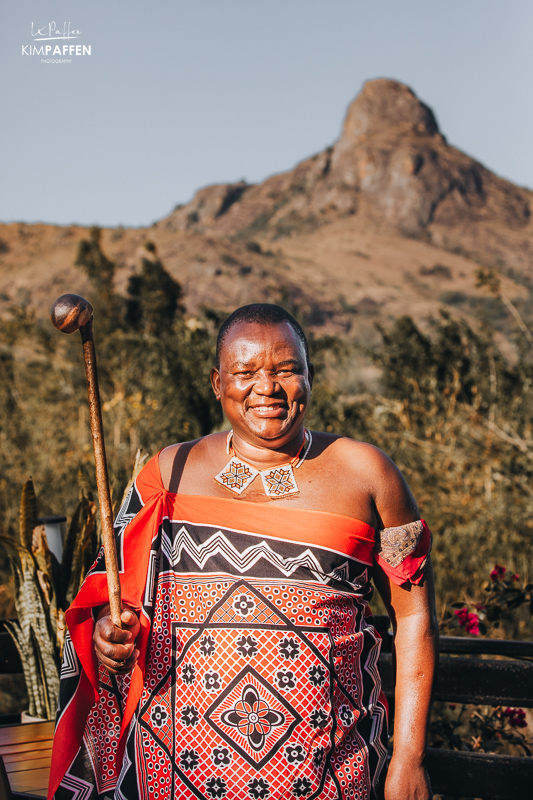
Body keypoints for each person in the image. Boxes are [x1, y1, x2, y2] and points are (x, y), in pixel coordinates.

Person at [48, 304, 437, 800]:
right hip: (170, 779)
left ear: (310, 375)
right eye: (246, 372)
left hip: (329, 778)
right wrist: (109, 634)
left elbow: (415, 617)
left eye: (286, 370)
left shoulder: (369, 475)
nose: (267, 388)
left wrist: (409, 757)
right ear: (217, 382)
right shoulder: (167, 473)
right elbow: (113, 593)